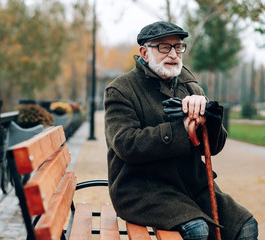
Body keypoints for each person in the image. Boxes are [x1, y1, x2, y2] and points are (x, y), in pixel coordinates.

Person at [104, 21, 258, 240]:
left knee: (246, 226)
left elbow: (214, 148)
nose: (173, 54)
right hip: (141, 188)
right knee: (198, 230)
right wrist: (182, 130)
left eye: (178, 47)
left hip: (190, 184)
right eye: (164, 47)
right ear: (144, 53)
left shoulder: (191, 87)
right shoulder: (121, 89)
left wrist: (208, 119)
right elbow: (126, 144)